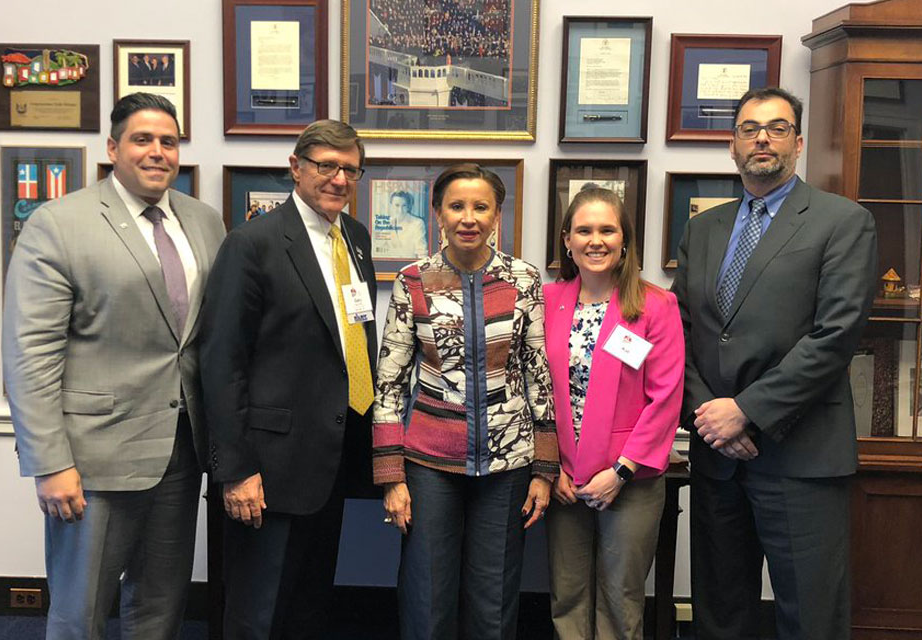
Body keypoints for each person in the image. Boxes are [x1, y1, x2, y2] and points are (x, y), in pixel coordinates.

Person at [2, 92, 226, 639]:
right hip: (91, 460)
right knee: (80, 613)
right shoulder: (60, 223)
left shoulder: (203, 222)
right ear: (113, 148)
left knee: (159, 607)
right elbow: (30, 355)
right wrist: (49, 462)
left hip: (180, 450)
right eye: (142, 139)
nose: (157, 152)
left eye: (168, 142)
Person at [670, 87, 877, 640]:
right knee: (720, 615)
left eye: (778, 127)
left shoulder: (842, 221)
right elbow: (680, 334)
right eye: (749, 128)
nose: (762, 137)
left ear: (799, 143)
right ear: (733, 147)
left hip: (801, 455)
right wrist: (712, 417)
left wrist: (748, 411)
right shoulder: (703, 228)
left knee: (810, 617)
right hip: (719, 461)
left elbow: (835, 337)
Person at [200, 119, 378, 639]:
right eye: (326, 166)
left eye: (350, 169)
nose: (339, 179)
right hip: (267, 469)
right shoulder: (252, 243)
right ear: (296, 168)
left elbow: (350, 339)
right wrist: (235, 469)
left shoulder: (356, 239)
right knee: (257, 613)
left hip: (332, 457)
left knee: (308, 605)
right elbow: (222, 360)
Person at [374, 162, 559, 640]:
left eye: (481, 207)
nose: (468, 217)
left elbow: (538, 374)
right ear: (438, 213)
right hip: (430, 461)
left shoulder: (523, 279)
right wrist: (391, 476)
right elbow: (390, 383)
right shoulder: (413, 280)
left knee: (494, 596)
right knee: (426, 592)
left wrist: (544, 468)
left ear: (497, 215)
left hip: (509, 462)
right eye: (457, 206)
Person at [543, 187, 684, 640]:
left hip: (630, 481)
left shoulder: (655, 305)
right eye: (584, 230)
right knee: (566, 595)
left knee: (620, 599)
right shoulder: (548, 302)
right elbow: (535, 391)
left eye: (608, 229)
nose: (595, 240)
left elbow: (665, 398)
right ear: (567, 240)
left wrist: (621, 471)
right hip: (563, 480)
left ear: (625, 240)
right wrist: (551, 468)